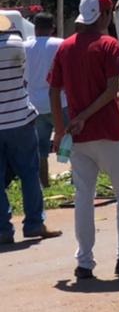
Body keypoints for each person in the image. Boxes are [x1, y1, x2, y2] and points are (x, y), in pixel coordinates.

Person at [50, 0, 119, 280]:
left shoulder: (66, 47)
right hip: (109, 132)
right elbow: (112, 90)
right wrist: (86, 115)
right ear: (105, 15)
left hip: (78, 137)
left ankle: (84, 262)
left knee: (84, 197)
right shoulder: (109, 45)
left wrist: (62, 128)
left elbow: (53, 89)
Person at [0, 13, 60, 245]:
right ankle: (34, 224)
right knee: (29, 173)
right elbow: (22, 75)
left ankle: (3, 229)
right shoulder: (16, 44)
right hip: (20, 119)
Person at [24, 11, 62, 187]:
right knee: (73, 143)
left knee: (41, 150)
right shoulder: (60, 44)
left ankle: (44, 183)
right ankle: (79, 180)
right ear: (52, 28)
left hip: (34, 104)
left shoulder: (25, 47)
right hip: (60, 102)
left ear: (35, 28)